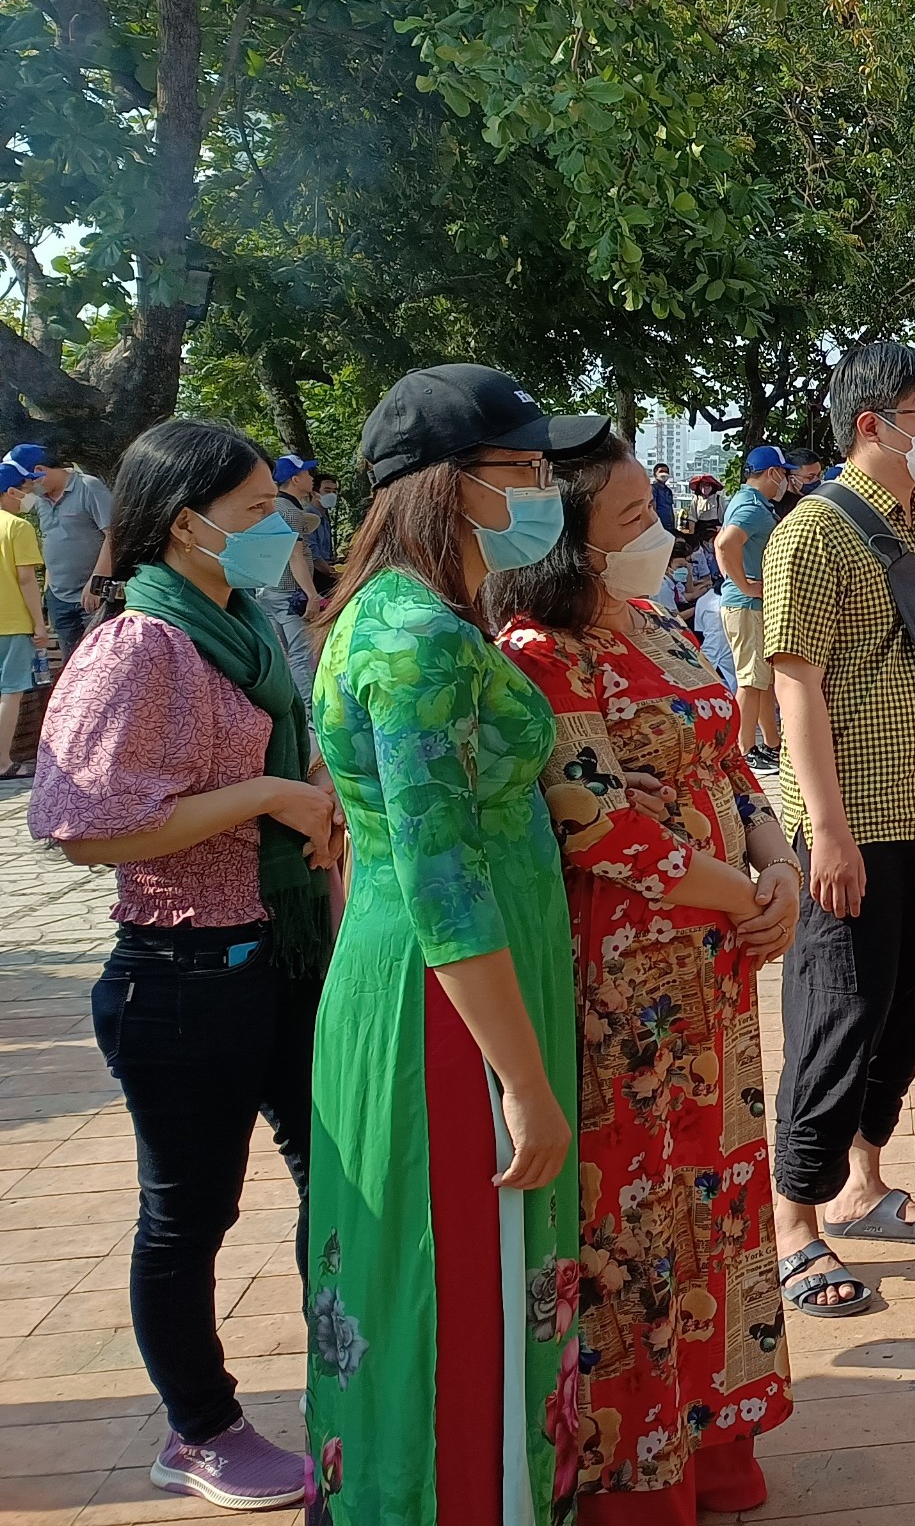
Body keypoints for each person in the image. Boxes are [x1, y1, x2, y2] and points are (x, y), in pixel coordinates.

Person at [303, 362, 600, 1526]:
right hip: (450, 1010)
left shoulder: (403, 615)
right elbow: (438, 879)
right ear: (444, 487)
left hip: (444, 984)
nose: (545, 492)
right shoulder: (418, 640)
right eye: (521, 470)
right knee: (459, 1280)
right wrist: (522, 1083)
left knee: (445, 1279)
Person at [30, 419, 340, 1511]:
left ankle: (346, 1377)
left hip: (289, 951)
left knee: (336, 1187)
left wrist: (313, 799)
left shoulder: (242, 625)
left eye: (277, 509)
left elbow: (280, 759)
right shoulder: (139, 647)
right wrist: (265, 797)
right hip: (182, 974)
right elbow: (80, 823)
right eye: (255, 513)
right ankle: (198, 1427)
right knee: (188, 1217)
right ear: (181, 523)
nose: (278, 529)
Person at [490, 435, 800, 1519]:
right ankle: (639, 1464)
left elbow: (727, 760)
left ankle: (717, 1431)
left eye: (650, 507)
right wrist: (741, 895)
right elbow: (596, 821)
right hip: (627, 987)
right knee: (634, 1218)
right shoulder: (538, 650)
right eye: (630, 517)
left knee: (712, 1198)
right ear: (562, 537)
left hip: (717, 962)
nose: (655, 531)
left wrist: (779, 866)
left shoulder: (664, 620)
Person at [763, 342, 915, 1312]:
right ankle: (794, 1223)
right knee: (836, 1016)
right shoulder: (810, 535)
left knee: (904, 1011)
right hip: (857, 826)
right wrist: (828, 835)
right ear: (871, 426)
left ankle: (863, 1184)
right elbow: (794, 686)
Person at [715, 446, 788, 770]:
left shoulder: (750, 503)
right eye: (783, 473)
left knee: (759, 681)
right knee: (750, 680)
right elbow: (725, 543)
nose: (784, 480)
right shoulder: (752, 508)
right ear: (771, 472)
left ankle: (770, 744)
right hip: (748, 604)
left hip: (748, 602)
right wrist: (744, 584)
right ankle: (744, 752)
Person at [12, 439, 114, 659]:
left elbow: (114, 536)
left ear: (39, 471)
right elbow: (52, 540)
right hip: (58, 598)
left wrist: (97, 582)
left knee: (100, 662)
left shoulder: (88, 487)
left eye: (28, 480)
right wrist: (47, 591)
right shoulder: (40, 500)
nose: (28, 487)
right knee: (70, 666)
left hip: (92, 596)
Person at [0, 462, 53, 777]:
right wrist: (39, 623)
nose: (30, 494)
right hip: (12, 624)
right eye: (26, 488)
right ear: (10, 492)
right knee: (11, 692)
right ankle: (3, 762)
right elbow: (26, 580)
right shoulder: (17, 528)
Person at [259, 455, 325, 702]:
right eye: (307, 474)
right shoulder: (289, 512)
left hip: (267, 590)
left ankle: (293, 703)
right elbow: (295, 555)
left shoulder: (270, 508)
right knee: (301, 652)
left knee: (283, 653)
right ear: (295, 479)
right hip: (290, 592)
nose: (311, 478)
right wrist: (311, 594)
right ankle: (310, 709)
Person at [308, 472, 342, 583]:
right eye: (327, 491)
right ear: (314, 493)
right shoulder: (308, 517)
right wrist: (333, 574)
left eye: (334, 491)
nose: (332, 495)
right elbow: (313, 555)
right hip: (316, 575)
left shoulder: (324, 517)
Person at [650, 461, 679, 535]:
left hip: (669, 526)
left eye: (666, 472)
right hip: (659, 526)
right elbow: (653, 508)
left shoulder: (668, 490)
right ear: (655, 474)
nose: (664, 474)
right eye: (661, 471)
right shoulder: (653, 489)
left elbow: (670, 508)